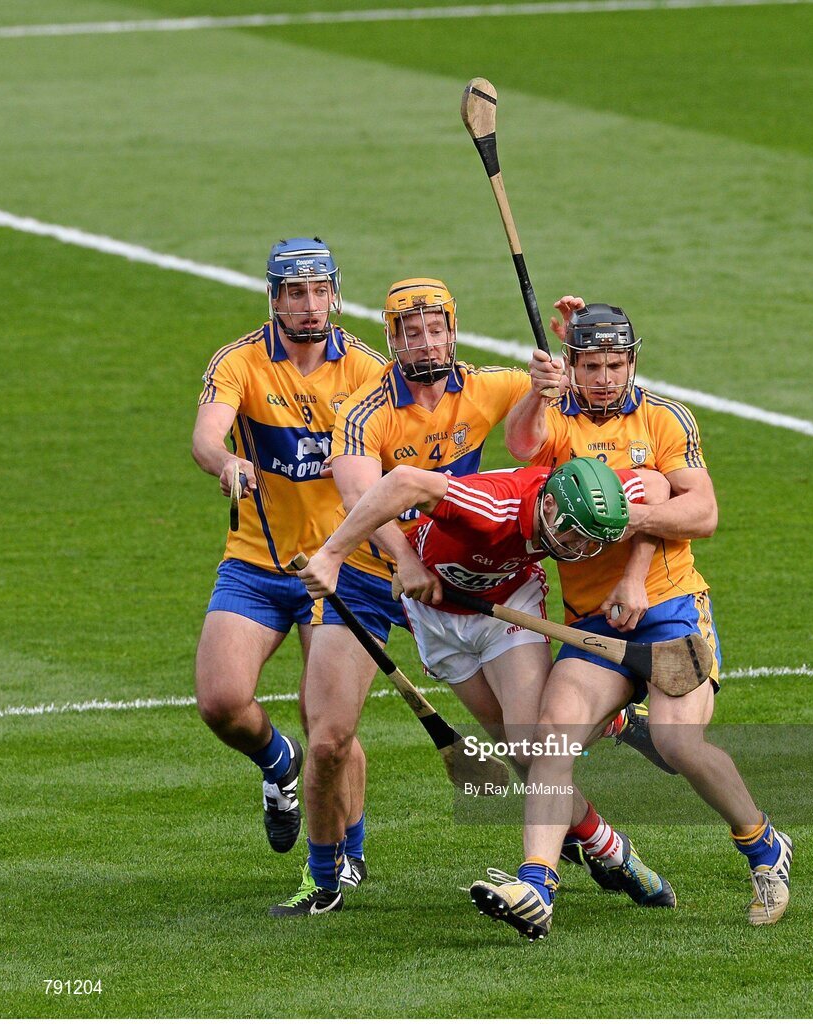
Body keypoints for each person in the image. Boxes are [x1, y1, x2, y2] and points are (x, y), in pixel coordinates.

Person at [468, 299, 793, 939]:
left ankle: (761, 845)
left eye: (616, 364)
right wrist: (537, 395)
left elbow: (702, 514)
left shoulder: (665, 419)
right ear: (571, 363)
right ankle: (537, 883)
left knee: (677, 744)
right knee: (546, 742)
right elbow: (519, 445)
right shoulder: (557, 418)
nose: (605, 377)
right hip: (592, 620)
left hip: (670, 610)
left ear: (632, 360)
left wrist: (633, 539)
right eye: (590, 365)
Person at [293, 456, 684, 923]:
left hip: (508, 607)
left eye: (589, 539)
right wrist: (348, 556)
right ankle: (610, 847)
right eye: (576, 534)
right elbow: (401, 481)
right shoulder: (492, 506)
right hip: (437, 615)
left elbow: (657, 486)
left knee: (536, 748)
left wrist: (634, 574)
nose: (580, 548)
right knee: (526, 758)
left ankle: (548, 877)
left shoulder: (592, 494)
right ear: (551, 507)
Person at [269, 278, 536, 917]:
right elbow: (365, 495)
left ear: (453, 329)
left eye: (436, 328)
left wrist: (551, 376)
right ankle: (323, 877)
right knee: (330, 737)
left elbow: (547, 423)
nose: (426, 341)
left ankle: (586, 835)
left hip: (450, 579)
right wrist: (404, 557)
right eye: (411, 332)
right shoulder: (363, 411)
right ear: (392, 340)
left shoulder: (483, 385)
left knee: (526, 737)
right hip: (366, 577)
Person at [192, 238, 384, 880]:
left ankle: (349, 855)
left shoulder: (366, 368)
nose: (309, 305)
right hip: (255, 561)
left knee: (329, 721)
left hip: (336, 568)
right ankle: (279, 766)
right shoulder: (240, 361)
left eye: (320, 291)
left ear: (335, 292)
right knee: (221, 701)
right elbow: (206, 437)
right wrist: (228, 463)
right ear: (273, 297)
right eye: (295, 293)